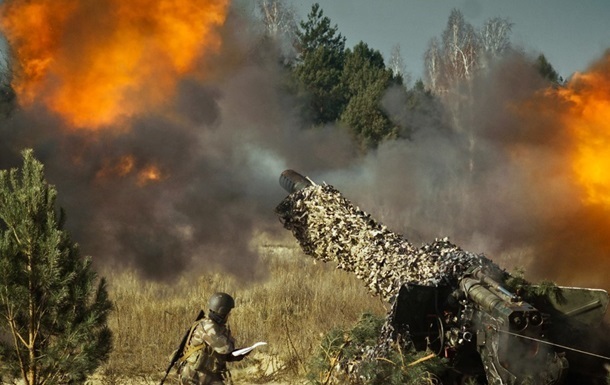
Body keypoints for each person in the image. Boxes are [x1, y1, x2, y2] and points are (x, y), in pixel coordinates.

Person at [177, 292, 246, 385]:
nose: (229, 315)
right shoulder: (209, 327)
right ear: (222, 312)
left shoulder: (216, 326)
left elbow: (220, 354)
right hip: (194, 377)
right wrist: (232, 343)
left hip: (206, 374)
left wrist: (239, 354)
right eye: (228, 312)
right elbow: (225, 349)